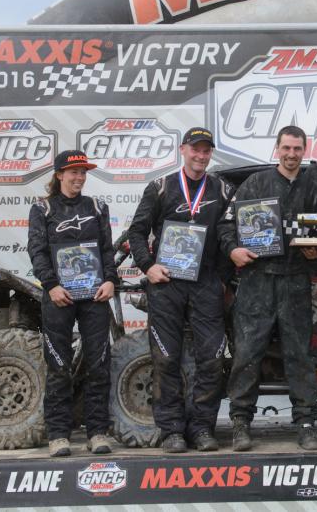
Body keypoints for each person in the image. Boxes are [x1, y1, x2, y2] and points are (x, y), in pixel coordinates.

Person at [217, 125, 317, 451]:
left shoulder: (314, 185)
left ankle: (306, 423)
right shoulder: (256, 183)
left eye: (297, 149)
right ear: (277, 148)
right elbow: (226, 224)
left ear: (305, 151)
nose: (291, 154)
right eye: (286, 148)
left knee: (300, 354)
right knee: (247, 353)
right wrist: (232, 249)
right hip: (257, 278)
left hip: (296, 278)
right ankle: (240, 423)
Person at [126, 127, 233, 453]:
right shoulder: (160, 188)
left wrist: (224, 281)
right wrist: (148, 266)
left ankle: (202, 429)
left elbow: (229, 235)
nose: (201, 156)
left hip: (205, 285)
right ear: (183, 149)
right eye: (195, 149)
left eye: (206, 151)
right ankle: (172, 431)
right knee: (166, 359)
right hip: (167, 284)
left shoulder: (223, 190)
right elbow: (137, 231)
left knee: (212, 361)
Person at [27, 150, 118, 457]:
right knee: (59, 366)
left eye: (83, 172)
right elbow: (37, 251)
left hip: (94, 296)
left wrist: (110, 281)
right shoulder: (42, 208)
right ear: (59, 175)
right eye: (73, 172)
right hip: (59, 298)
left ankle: (97, 433)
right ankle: (58, 435)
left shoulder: (96, 206)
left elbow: (107, 250)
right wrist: (51, 285)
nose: (79, 177)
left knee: (99, 364)